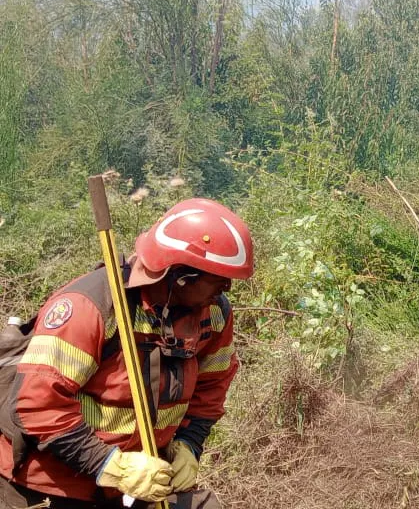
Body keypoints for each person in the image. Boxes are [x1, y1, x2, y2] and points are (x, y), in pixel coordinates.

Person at [0, 199, 253, 508]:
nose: (226, 289)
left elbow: (213, 385)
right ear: (181, 276)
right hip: (50, 486)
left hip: (135, 484)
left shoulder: (213, 314)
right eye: (219, 280)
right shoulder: (91, 307)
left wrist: (189, 443)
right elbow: (36, 405)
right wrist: (110, 465)